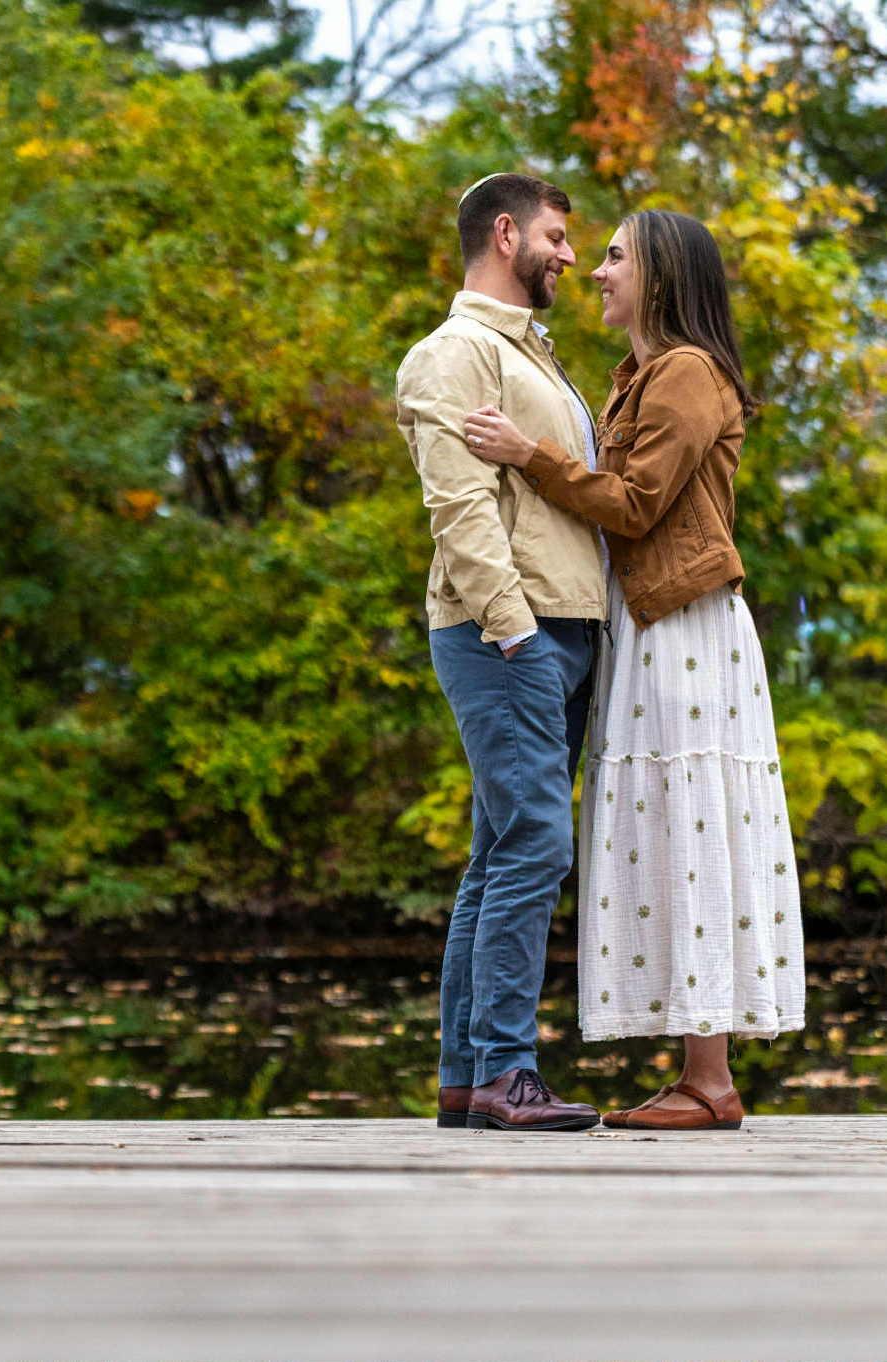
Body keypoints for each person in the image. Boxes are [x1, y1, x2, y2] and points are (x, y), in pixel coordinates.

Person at [464, 209, 806, 1131]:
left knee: (689, 825)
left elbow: (639, 504)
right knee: (661, 829)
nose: (597, 270)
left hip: (686, 628)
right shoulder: (640, 377)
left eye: (614, 256)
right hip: (650, 627)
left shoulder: (687, 373)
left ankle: (711, 1081)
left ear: (658, 273)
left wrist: (527, 458)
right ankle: (700, 1074)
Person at [395, 172, 607, 1132]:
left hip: (559, 628)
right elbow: (458, 507)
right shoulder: (452, 355)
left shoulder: (531, 355)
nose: (569, 254)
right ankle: (509, 1073)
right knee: (534, 846)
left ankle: (467, 1077)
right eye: (558, 237)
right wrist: (514, 627)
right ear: (508, 232)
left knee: (500, 851)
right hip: (504, 634)